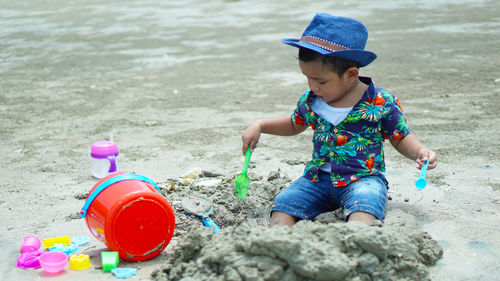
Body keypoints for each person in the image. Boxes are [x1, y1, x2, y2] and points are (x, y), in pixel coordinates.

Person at [241, 13, 438, 227]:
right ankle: (277, 239)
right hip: (317, 180)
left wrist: (420, 152)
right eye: (308, 78)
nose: (313, 87)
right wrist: (260, 125)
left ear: (351, 75)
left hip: (364, 178)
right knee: (284, 204)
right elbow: (293, 124)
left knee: (365, 204)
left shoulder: (381, 102)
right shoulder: (311, 101)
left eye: (321, 81)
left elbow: (400, 137)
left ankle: (356, 234)